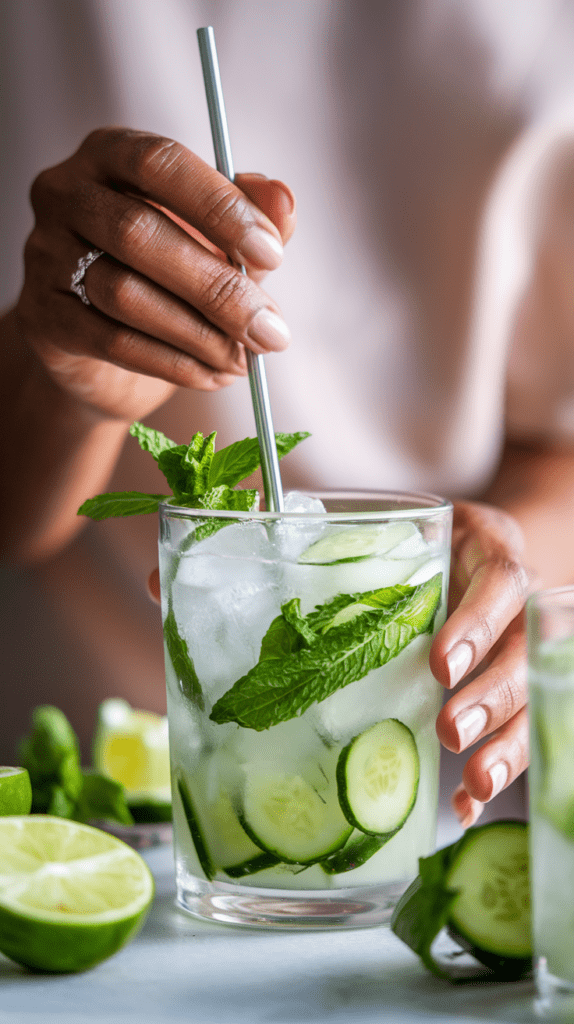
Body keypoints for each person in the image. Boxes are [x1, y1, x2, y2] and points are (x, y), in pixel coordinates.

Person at [2, 0, 574, 832]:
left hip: (452, 816)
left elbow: (558, 441)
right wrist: (60, 375)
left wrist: (501, 559)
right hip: (90, 810)